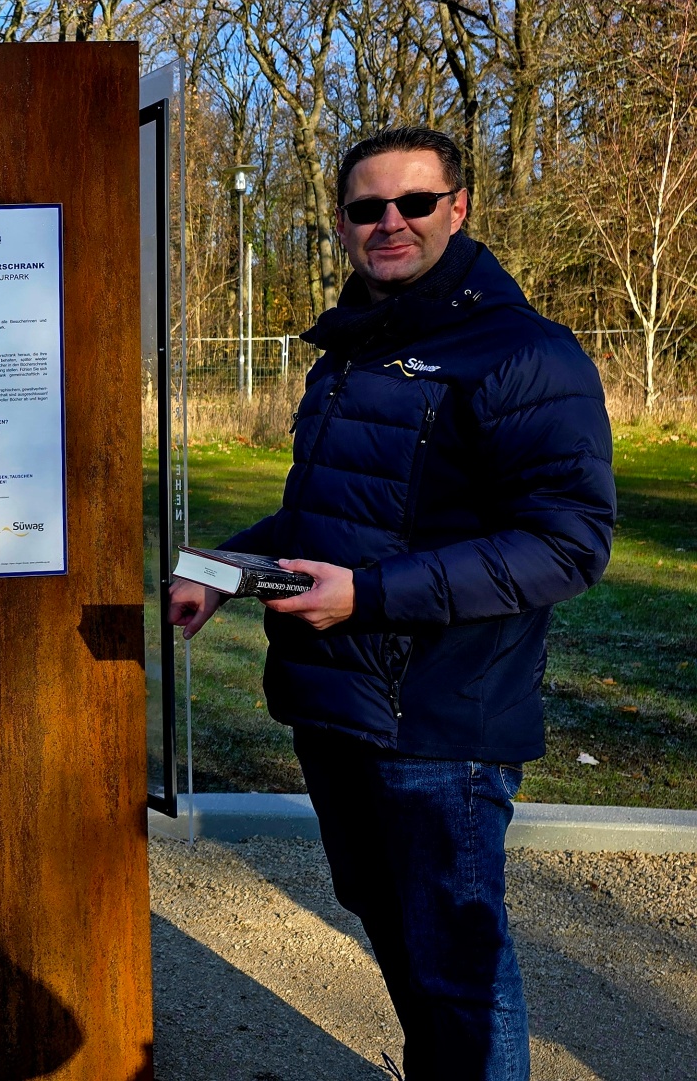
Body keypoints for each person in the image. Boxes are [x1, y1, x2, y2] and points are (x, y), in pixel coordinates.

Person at [168, 127, 615, 1080]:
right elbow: (326, 513)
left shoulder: (522, 354)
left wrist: (369, 596)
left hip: (443, 719)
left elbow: (567, 543)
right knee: (397, 933)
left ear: (458, 209)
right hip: (336, 705)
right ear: (341, 224)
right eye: (368, 208)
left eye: (414, 203)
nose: (391, 223)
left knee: (459, 966)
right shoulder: (350, 352)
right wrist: (219, 566)